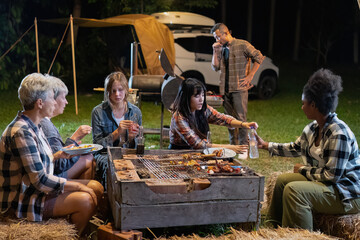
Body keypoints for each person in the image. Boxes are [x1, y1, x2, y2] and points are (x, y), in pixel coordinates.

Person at [256, 69, 360, 230]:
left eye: (304, 102)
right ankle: (274, 229)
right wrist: (266, 145)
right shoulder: (313, 128)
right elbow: (295, 148)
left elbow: (331, 176)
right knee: (282, 181)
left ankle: (301, 235)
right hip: (330, 184)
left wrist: (303, 170)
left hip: (346, 192)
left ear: (313, 105)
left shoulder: (339, 134)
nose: (302, 106)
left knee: (295, 191)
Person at [0, 73, 103, 235]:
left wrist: (56, 155)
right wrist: (76, 185)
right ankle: (75, 236)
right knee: (85, 200)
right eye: (51, 98)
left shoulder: (33, 126)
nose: (55, 102)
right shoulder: (21, 132)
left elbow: (34, 164)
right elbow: (40, 180)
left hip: (35, 192)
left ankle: (76, 231)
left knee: (95, 187)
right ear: (40, 103)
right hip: (21, 201)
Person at [211, 23, 265, 149]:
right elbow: (215, 67)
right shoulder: (222, 48)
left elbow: (259, 57)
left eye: (218, 37)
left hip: (239, 88)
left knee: (241, 118)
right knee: (228, 119)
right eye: (215, 38)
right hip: (225, 88)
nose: (217, 40)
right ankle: (233, 146)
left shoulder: (242, 44)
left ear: (226, 33)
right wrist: (215, 51)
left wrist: (250, 76)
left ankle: (243, 147)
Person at [169, 78, 258, 152]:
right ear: (186, 97)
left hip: (197, 151)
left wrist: (244, 124)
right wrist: (230, 147)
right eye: (196, 96)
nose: (201, 99)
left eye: (203, 95)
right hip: (178, 152)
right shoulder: (179, 117)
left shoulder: (203, 109)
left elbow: (222, 118)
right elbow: (198, 144)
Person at [91, 71, 142, 187]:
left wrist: (132, 138)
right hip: (105, 153)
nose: (117, 94)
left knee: (140, 165)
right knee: (112, 166)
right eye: (113, 91)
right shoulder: (98, 112)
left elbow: (138, 146)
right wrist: (116, 133)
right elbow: (97, 146)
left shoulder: (135, 112)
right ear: (107, 92)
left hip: (128, 152)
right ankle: (111, 196)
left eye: (120, 90)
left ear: (126, 90)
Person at [40, 76, 95, 180]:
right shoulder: (46, 126)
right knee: (89, 159)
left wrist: (75, 147)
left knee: (88, 157)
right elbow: (59, 165)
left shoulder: (45, 122)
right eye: (63, 97)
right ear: (53, 99)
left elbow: (56, 152)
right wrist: (74, 138)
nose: (66, 102)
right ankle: (76, 192)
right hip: (51, 176)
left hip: (50, 172)